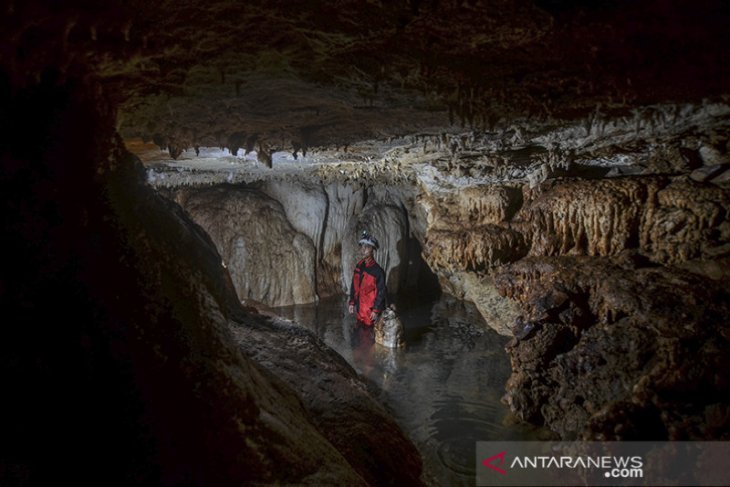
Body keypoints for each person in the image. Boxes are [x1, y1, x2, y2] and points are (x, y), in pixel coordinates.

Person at [348, 230, 387, 327]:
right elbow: (354, 286)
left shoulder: (378, 271)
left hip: (370, 313)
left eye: (367, 247)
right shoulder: (359, 266)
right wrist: (352, 302)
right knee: (359, 335)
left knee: (369, 338)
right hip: (359, 310)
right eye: (362, 246)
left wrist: (376, 310)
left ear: (373, 249)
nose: (364, 249)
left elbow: (381, 292)